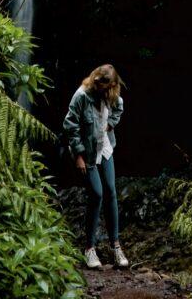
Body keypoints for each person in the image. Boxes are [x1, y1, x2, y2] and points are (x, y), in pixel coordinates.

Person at [63, 63, 129, 270]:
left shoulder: (112, 94)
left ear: (111, 85)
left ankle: (115, 245)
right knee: (97, 194)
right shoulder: (82, 95)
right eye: (98, 83)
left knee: (111, 190)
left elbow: (119, 106)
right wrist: (78, 156)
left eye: (105, 85)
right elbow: (70, 124)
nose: (100, 87)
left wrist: (111, 124)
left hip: (105, 146)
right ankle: (89, 248)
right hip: (87, 152)